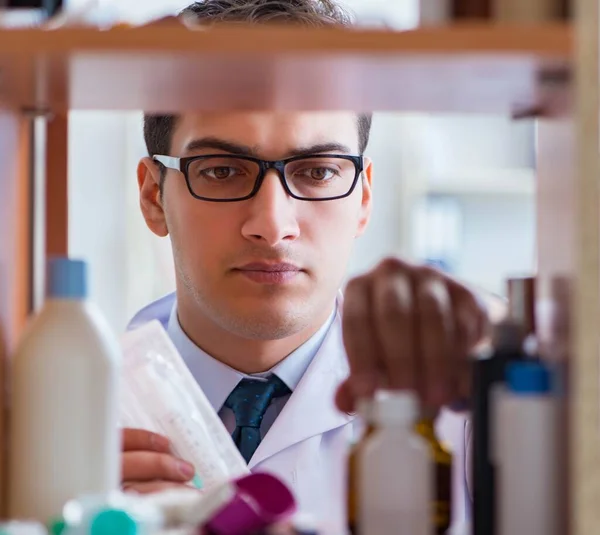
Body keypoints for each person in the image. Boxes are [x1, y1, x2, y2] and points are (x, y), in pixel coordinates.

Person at [123, 0, 487, 529]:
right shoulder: (68, 421)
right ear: (155, 196)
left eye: (317, 171)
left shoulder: (467, 416)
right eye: (222, 170)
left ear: (362, 199)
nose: (272, 224)